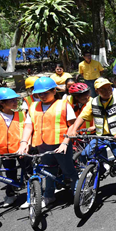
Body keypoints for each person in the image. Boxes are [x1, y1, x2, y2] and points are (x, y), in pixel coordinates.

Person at [67, 77, 116, 195]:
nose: (107, 90)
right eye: (103, 89)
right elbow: (82, 117)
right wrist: (74, 130)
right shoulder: (93, 102)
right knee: (85, 153)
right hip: (101, 136)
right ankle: (100, 169)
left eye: (108, 87)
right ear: (97, 91)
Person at [20, 77, 77, 209]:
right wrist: (24, 142)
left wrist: (65, 142)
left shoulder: (63, 105)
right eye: (40, 93)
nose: (42, 96)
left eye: (45, 93)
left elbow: (72, 126)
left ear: (54, 91)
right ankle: (49, 195)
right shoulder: (33, 106)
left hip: (60, 144)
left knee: (68, 169)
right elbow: (28, 126)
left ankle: (77, 190)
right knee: (47, 170)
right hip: (42, 144)